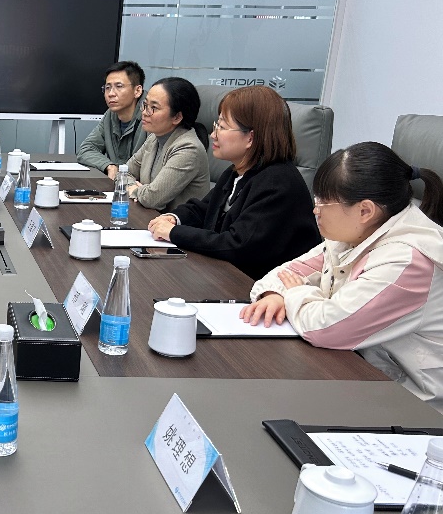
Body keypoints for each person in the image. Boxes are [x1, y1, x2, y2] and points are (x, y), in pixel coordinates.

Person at [242, 142, 443, 410]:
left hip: (415, 406)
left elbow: (325, 328)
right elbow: (285, 273)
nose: (315, 210)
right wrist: (273, 294)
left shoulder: (408, 262)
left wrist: (294, 293)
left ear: (365, 210)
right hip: (362, 374)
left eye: (323, 202)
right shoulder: (357, 232)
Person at [147, 85, 321, 278]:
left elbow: (237, 245)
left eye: (221, 127)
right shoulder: (237, 172)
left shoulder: (277, 183)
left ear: (250, 137)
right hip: (225, 276)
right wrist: (173, 218)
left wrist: (174, 232)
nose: (213, 135)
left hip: (262, 288)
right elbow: (203, 210)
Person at [124, 77, 210, 212]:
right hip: (149, 217)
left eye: (154, 108)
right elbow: (124, 173)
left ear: (177, 117)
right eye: (145, 105)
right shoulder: (154, 137)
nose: (145, 112)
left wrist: (135, 190)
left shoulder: (189, 149)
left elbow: (152, 199)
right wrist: (136, 189)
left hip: (176, 224)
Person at [76, 60, 146, 178]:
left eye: (119, 86)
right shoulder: (110, 115)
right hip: (119, 185)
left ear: (137, 91)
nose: (111, 93)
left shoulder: (150, 116)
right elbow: (86, 149)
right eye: (107, 88)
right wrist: (109, 166)